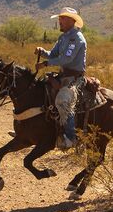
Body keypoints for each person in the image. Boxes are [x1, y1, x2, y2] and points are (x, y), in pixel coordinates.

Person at [35, 8, 87, 149]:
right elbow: (53, 54)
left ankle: (71, 138)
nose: (60, 21)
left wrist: (45, 64)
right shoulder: (63, 37)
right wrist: (43, 52)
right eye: (60, 19)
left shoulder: (76, 38)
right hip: (64, 76)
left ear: (72, 21)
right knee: (39, 90)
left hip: (74, 78)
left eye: (62, 19)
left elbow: (66, 59)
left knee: (63, 101)